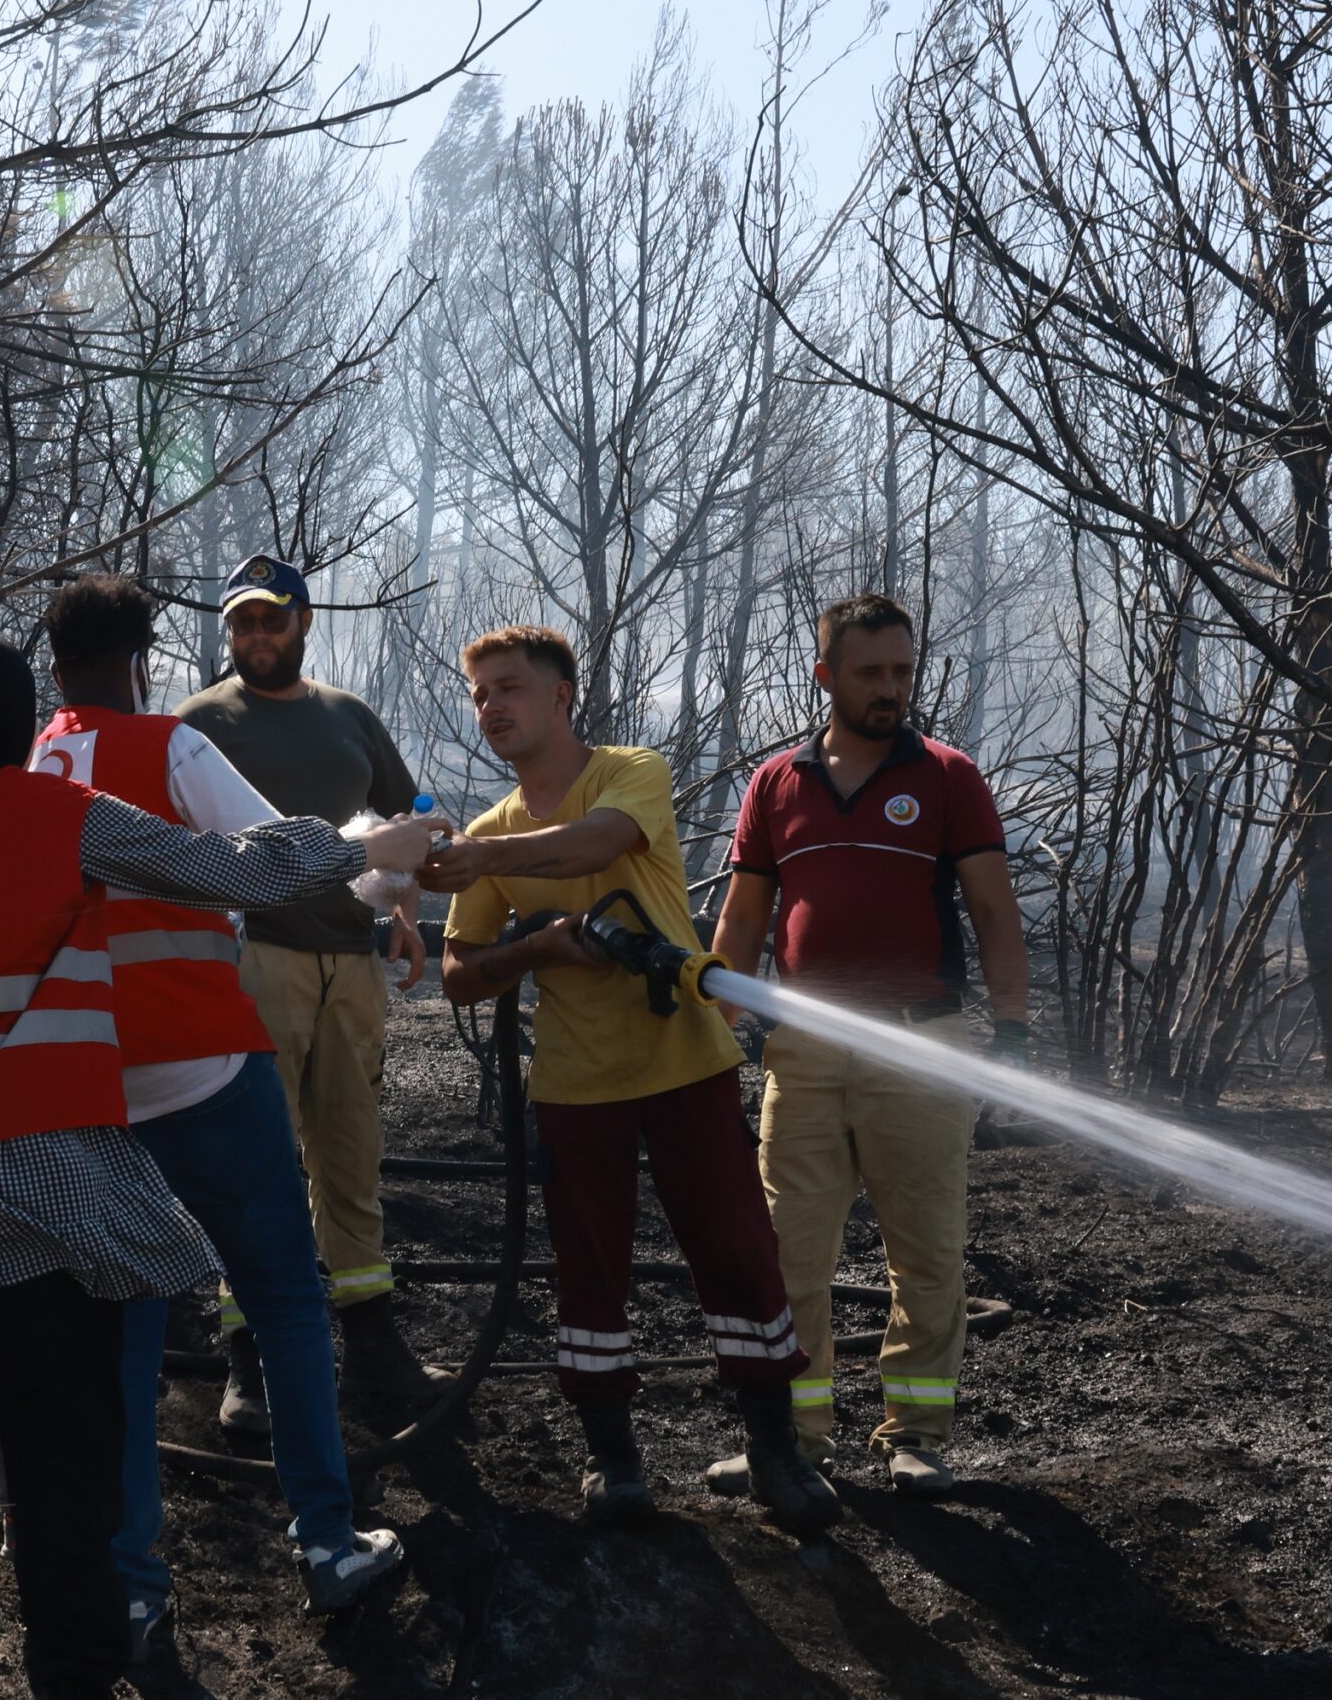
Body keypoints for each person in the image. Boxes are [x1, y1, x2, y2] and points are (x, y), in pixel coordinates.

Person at [0, 625, 446, 1700]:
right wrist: (369, 850)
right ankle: (78, 1678)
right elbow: (235, 866)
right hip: (31, 1184)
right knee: (61, 1472)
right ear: (11, 727)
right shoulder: (58, 819)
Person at [32, 576, 404, 1670]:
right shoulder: (170, 750)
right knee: (286, 1300)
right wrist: (393, 859)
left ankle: (135, 1591)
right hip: (204, 1065)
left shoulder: (24, 768)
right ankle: (328, 1544)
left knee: (127, 1341)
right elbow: (283, 859)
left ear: (50, 662)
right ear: (145, 654)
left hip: (89, 1088)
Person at [423, 625, 839, 1536]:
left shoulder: (627, 771)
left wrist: (486, 863)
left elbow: (594, 845)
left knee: (736, 1248)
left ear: (562, 693)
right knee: (589, 1271)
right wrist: (533, 946)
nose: (492, 706)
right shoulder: (492, 830)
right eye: (480, 693)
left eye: (510, 688)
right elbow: (459, 970)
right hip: (575, 1085)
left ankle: (775, 1451)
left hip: (683, 1061)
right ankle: (615, 1464)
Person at [708, 591, 1029, 1499]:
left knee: (926, 1249)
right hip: (802, 1052)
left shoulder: (949, 777)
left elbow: (995, 911)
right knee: (785, 1251)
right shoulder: (777, 785)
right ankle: (794, 1438)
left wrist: (1011, 1031)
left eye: (902, 669)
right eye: (870, 672)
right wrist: (706, 1035)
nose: (891, 688)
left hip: (919, 1049)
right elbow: (742, 919)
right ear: (826, 677)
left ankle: (917, 1432)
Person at [178, 555, 437, 1424]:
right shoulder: (200, 722)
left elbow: (403, 819)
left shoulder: (347, 717)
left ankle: (369, 1334)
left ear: (304, 620)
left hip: (350, 963)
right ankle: (247, 1357)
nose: (256, 637)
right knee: (258, 1160)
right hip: (257, 960)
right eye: (243, 623)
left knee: (351, 1150)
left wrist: (401, 911)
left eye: (271, 620)